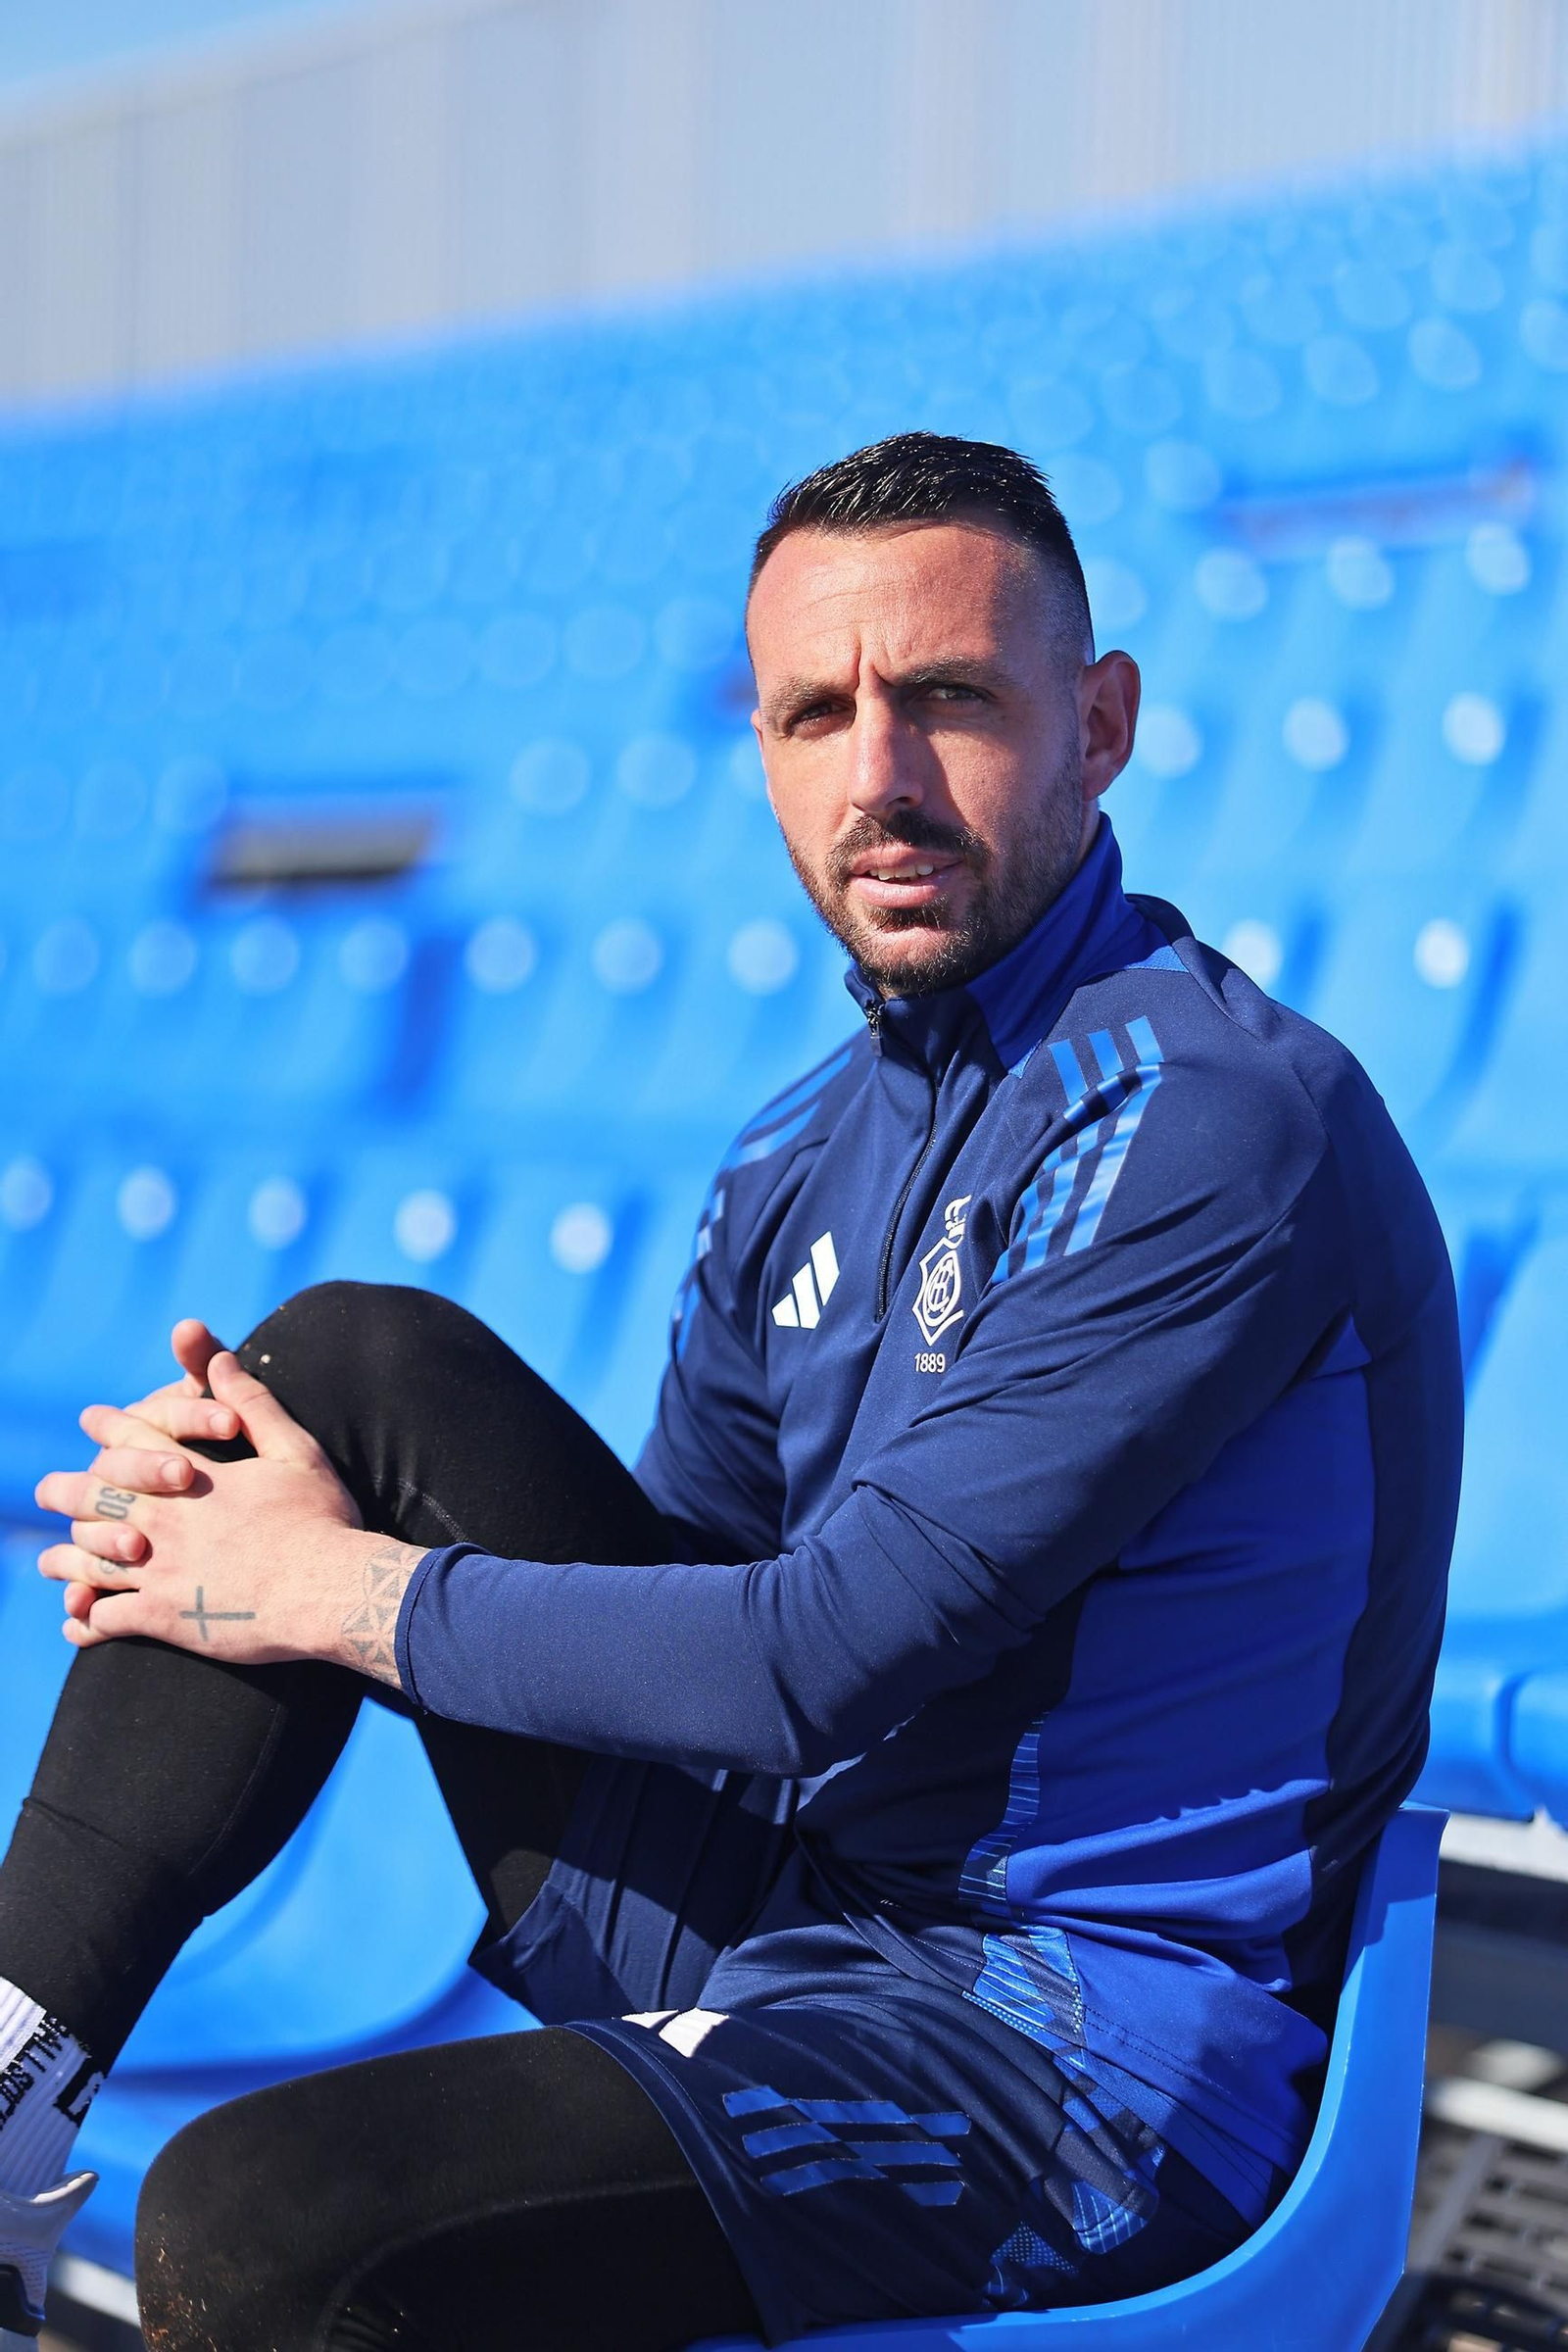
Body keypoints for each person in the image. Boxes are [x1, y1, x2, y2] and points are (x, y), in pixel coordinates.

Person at [0, 433, 1460, 2350]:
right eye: (815, 713)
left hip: (1076, 2068)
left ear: (1095, 725)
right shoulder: (805, 1150)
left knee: (267, 2223)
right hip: (806, 1913)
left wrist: (308, 1589)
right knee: (346, 1365)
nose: (879, 778)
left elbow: (807, 1664)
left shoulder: (1201, 1125)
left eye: (946, 698)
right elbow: (674, 1613)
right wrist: (268, 1525)